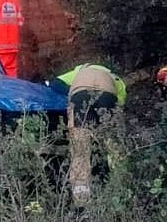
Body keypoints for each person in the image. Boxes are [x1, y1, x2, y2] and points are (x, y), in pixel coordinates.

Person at [50, 64, 126, 207]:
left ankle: (81, 202)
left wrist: (73, 92)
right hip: (108, 96)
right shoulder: (117, 80)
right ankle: (118, 190)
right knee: (112, 146)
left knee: (80, 150)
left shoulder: (79, 71)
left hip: (80, 97)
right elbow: (119, 108)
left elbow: (55, 84)